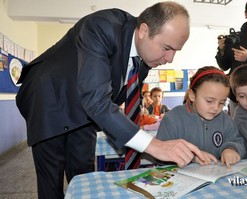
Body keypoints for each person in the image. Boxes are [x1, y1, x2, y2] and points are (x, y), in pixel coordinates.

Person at [15, 2, 216, 198]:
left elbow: (114, 103)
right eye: (166, 48)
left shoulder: (144, 61)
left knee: (84, 173)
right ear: (144, 30)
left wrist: (146, 139)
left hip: (84, 108)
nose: (170, 59)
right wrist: (153, 145)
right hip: (48, 96)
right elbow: (97, 100)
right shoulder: (102, 26)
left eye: (175, 51)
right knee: (51, 177)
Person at [156, 66, 246, 168]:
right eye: (209, 101)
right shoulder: (172, 119)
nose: (216, 108)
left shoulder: (225, 120)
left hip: (215, 176)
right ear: (192, 95)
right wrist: (192, 157)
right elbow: (161, 154)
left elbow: (237, 142)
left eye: (222, 102)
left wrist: (231, 149)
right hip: (183, 179)